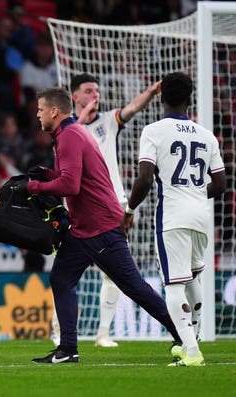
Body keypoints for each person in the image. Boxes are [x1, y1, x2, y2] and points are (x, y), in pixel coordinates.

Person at [27, 87, 181, 364]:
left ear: (54, 111)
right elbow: (70, 177)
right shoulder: (68, 135)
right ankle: (68, 349)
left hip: (100, 227)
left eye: (40, 109)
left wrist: (34, 186)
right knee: (61, 279)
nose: (37, 114)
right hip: (84, 227)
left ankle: (183, 333)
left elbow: (70, 185)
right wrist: (46, 174)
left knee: (134, 287)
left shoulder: (70, 136)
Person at [121, 72, 226, 367]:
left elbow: (143, 179)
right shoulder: (207, 136)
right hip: (201, 216)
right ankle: (192, 339)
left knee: (174, 284)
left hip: (173, 216)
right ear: (189, 98)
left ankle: (191, 350)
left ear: (162, 97)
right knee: (193, 276)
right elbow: (220, 185)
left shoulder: (154, 131)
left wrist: (129, 210)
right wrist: (194, 191)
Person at [67, 72, 162, 347]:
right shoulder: (68, 127)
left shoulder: (108, 121)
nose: (95, 94)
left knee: (113, 272)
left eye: (96, 90)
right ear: (75, 96)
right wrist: (81, 119)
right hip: (78, 207)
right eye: (88, 90)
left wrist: (152, 92)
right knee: (66, 272)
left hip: (112, 204)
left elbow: (132, 107)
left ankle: (103, 334)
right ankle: (58, 332)